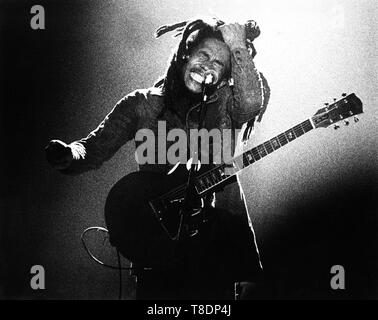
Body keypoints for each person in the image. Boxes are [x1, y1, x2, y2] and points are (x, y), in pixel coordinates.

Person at [45, 17, 270, 299]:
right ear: (186, 53)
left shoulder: (225, 107)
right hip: (156, 252)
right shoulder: (143, 104)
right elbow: (93, 147)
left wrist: (238, 44)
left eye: (218, 63)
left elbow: (250, 103)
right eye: (204, 55)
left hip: (211, 254)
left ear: (226, 77)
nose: (208, 65)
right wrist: (69, 153)